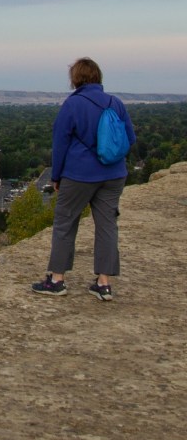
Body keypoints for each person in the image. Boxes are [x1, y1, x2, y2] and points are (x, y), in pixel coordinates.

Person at [32, 57, 135, 301]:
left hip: (79, 175)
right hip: (114, 174)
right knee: (107, 225)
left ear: (75, 79)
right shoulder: (116, 103)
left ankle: (57, 280)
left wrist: (56, 176)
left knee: (65, 223)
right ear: (98, 76)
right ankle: (104, 283)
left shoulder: (73, 104)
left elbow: (60, 144)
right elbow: (130, 138)